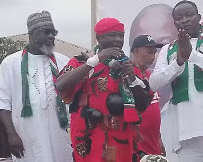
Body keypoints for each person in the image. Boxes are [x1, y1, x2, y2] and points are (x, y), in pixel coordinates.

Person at [149, 0, 203, 162]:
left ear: (199, 17)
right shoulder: (168, 49)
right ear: (174, 22)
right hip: (185, 134)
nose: (184, 20)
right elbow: (154, 83)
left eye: (189, 15)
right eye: (179, 17)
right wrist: (178, 62)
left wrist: (193, 56)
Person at [56, 17, 152, 162]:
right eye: (113, 35)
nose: (118, 40)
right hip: (90, 140)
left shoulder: (128, 66)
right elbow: (61, 84)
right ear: (98, 38)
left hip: (123, 141)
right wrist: (96, 60)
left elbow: (143, 105)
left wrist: (132, 79)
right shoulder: (81, 61)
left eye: (121, 36)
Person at [0, 11, 72, 162]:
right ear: (31, 34)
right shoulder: (11, 63)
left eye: (53, 32)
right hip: (26, 135)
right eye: (45, 32)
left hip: (60, 134)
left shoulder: (64, 61)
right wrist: (11, 134)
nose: (51, 36)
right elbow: (1, 102)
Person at [130, 35, 165, 159]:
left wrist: (159, 141)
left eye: (154, 53)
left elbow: (154, 112)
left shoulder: (152, 77)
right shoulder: (127, 75)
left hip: (153, 146)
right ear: (136, 51)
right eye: (149, 52)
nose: (152, 57)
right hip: (134, 148)